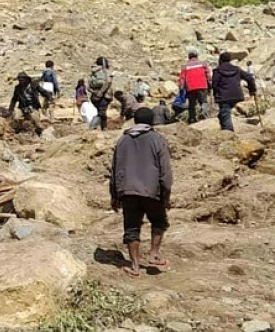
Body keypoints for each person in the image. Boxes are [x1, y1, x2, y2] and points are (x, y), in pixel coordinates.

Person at [110, 108, 173, 278]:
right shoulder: (157, 139)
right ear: (152, 121)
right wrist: (166, 192)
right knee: (159, 222)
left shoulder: (122, 140)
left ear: (134, 121)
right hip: (152, 190)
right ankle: (154, 254)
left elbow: (115, 169)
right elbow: (165, 170)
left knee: (131, 228)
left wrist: (114, 195)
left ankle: (135, 266)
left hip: (128, 191)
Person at [211, 52, 258, 132]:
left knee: (225, 113)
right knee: (222, 114)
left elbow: (214, 85)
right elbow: (250, 78)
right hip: (237, 95)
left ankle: (228, 133)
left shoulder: (217, 71)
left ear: (220, 60)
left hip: (223, 96)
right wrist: (252, 90)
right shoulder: (237, 69)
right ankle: (225, 130)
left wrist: (216, 95)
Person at [178, 50, 211, 124]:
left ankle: (192, 118)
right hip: (202, 86)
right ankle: (204, 113)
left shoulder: (185, 66)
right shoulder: (203, 64)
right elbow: (208, 75)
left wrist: (181, 89)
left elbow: (182, 79)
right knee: (203, 102)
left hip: (191, 88)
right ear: (197, 56)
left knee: (192, 104)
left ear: (189, 57)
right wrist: (210, 85)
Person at [88, 57, 114, 131]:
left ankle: (104, 128)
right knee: (101, 112)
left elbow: (88, 85)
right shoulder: (106, 72)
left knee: (102, 112)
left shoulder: (93, 72)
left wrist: (94, 92)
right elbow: (108, 82)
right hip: (104, 96)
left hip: (94, 96)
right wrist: (101, 92)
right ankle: (92, 127)